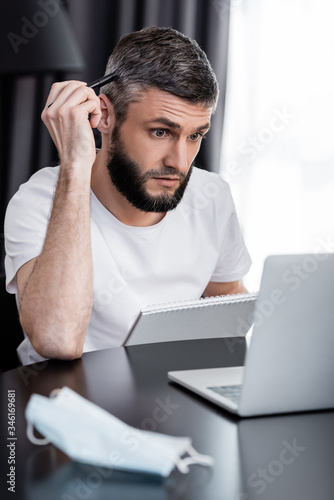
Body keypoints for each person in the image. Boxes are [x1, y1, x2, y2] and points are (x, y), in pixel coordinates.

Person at [4, 27, 251, 366]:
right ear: (104, 116)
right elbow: (56, 340)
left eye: (195, 136)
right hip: (64, 399)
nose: (179, 163)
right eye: (161, 132)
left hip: (169, 394)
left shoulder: (212, 196)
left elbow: (230, 316)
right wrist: (75, 166)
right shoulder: (38, 201)